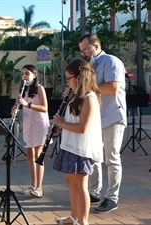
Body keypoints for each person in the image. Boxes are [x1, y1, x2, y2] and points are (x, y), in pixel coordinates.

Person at [78, 34, 127, 213]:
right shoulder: (90, 66)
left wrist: (87, 87)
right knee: (94, 156)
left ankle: (112, 198)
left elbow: (112, 89)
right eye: (81, 50)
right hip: (96, 118)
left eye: (86, 49)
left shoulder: (111, 61)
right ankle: (94, 193)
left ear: (96, 46)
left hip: (113, 116)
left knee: (111, 158)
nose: (83, 53)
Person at [53, 59, 103, 225]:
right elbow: (70, 120)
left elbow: (82, 128)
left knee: (81, 186)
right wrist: (61, 127)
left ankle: (83, 221)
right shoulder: (75, 97)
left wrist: (61, 123)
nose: (67, 82)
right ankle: (74, 217)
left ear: (80, 77)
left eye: (69, 78)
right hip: (69, 145)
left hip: (81, 148)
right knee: (70, 182)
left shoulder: (89, 98)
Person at [16, 64, 50, 198]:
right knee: (29, 155)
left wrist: (27, 104)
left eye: (27, 73)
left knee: (38, 156)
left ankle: (39, 188)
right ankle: (33, 185)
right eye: (22, 74)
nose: (24, 76)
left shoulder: (39, 88)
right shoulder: (22, 90)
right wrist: (16, 108)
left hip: (39, 123)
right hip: (28, 123)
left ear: (34, 75)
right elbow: (19, 106)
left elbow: (44, 107)